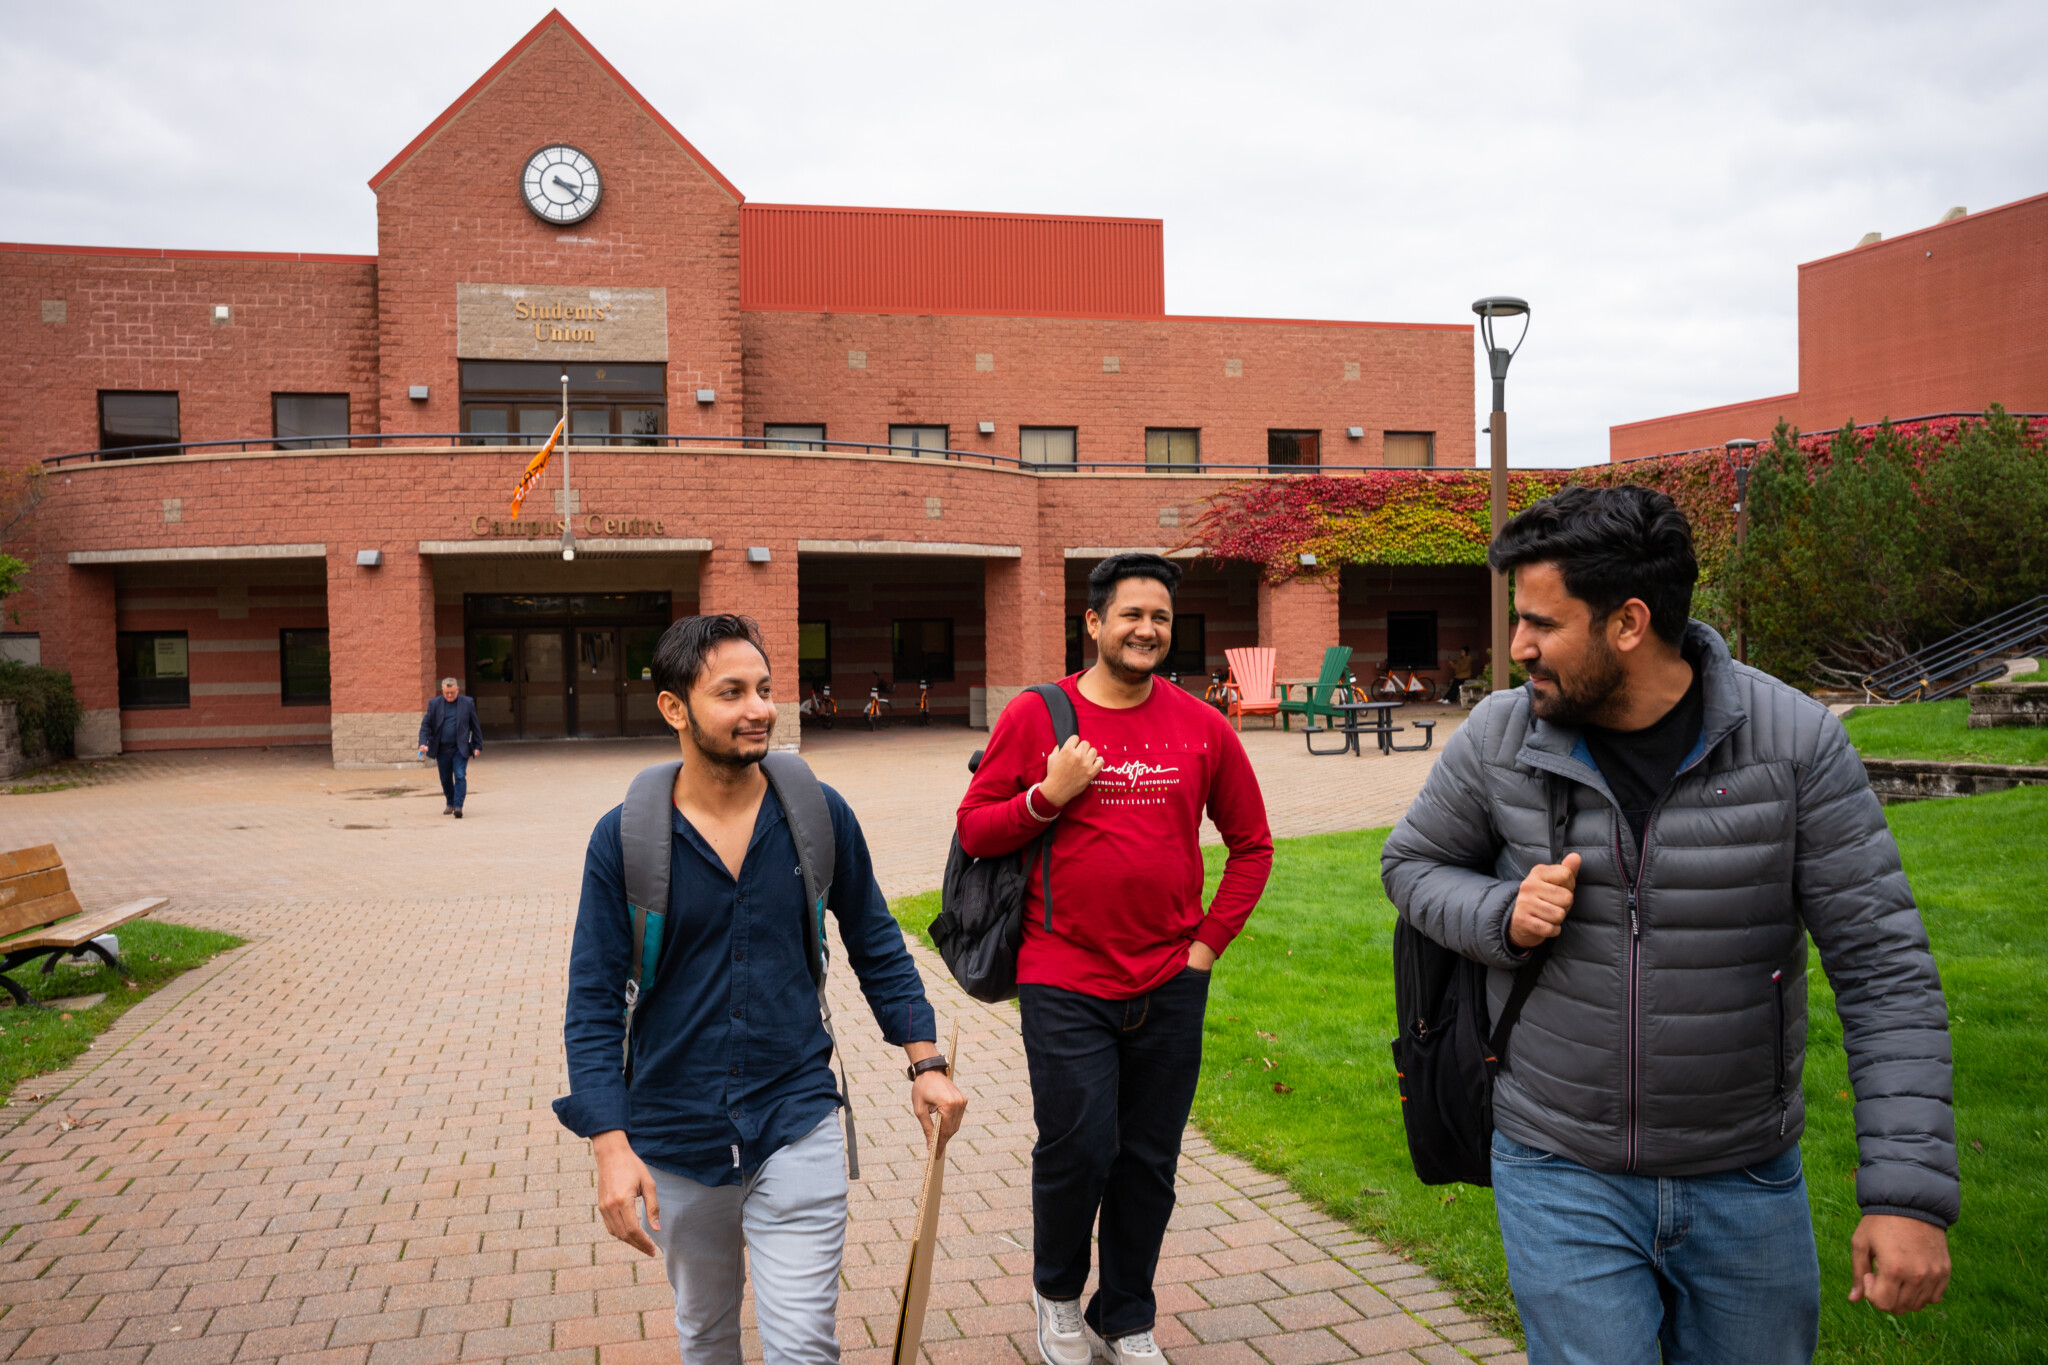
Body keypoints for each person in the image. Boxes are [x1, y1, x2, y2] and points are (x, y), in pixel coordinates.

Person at [1380, 486, 1956, 1364]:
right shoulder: (1501, 735)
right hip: (1557, 1165)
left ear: (1628, 623)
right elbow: (1411, 864)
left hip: (1745, 1175)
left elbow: (1885, 972)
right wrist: (1503, 914)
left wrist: (1907, 1194)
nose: (1517, 646)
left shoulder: (1795, 745)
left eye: (1540, 622)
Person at [554, 614, 966, 1365]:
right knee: (707, 1336)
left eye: (765, 689)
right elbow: (592, 1000)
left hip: (795, 1115)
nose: (760, 709)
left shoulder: (817, 814)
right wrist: (609, 1144)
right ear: (674, 708)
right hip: (674, 1134)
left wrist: (925, 1060)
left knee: (804, 1345)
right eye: (732, 692)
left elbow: (875, 939)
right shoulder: (625, 838)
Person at [958, 553, 1273, 1365]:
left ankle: (1126, 1312)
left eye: (1160, 617)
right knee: (1080, 1146)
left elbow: (1253, 844)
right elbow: (975, 829)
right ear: (1094, 622)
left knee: (1149, 1160)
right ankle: (1059, 1296)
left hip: (1171, 978)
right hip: (1063, 973)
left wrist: (1206, 948)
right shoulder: (1038, 715)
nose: (1147, 629)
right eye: (1131, 614)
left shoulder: (1202, 724)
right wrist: (1046, 795)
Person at [417, 677, 482, 817]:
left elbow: (475, 725)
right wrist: (422, 743)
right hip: (442, 749)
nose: (450, 695)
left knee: (460, 775)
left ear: (457, 690)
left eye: (452, 692)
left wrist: (478, 745)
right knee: (445, 778)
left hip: (460, 748)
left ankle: (458, 807)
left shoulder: (467, 703)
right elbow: (425, 725)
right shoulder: (434, 704)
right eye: (447, 692)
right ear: (442, 690)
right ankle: (450, 803)